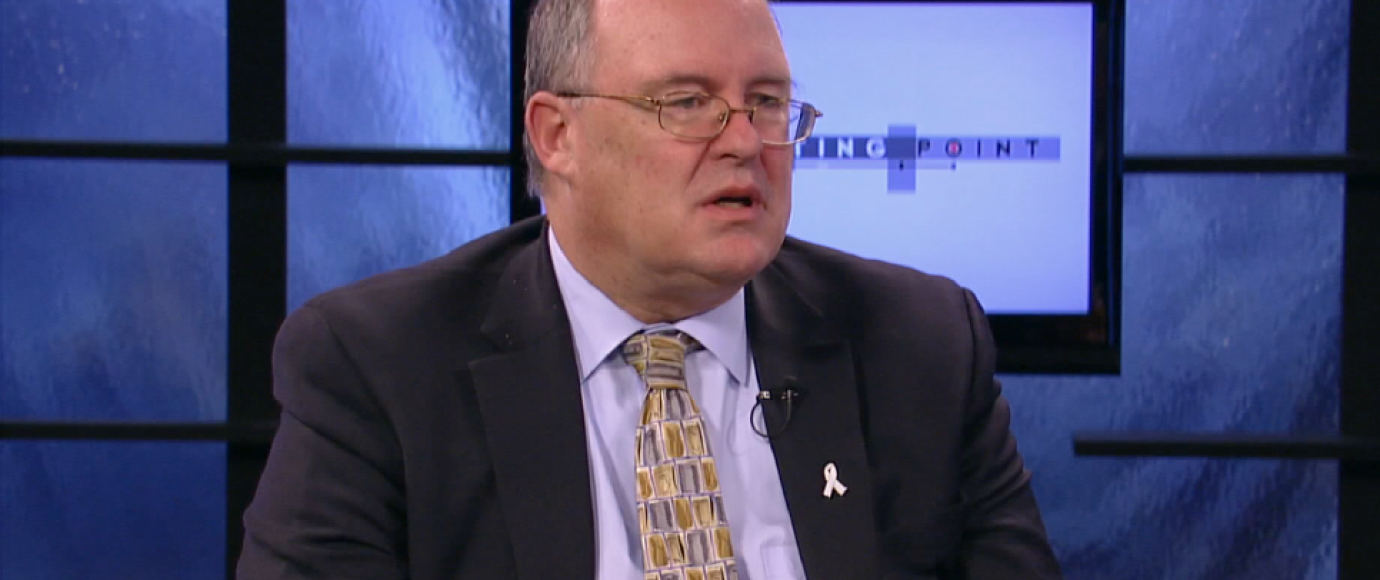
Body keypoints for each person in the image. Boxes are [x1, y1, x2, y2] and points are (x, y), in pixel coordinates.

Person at [237, 0, 1063, 577]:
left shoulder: (921, 346)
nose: (745, 142)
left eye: (767, 103)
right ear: (556, 135)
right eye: (688, 102)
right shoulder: (378, 367)